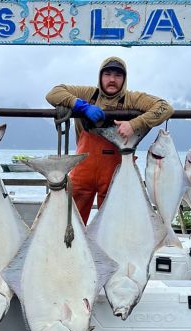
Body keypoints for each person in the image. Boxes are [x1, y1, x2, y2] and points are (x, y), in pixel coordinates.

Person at [46, 56, 174, 223]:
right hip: (83, 170)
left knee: (114, 224)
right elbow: (53, 93)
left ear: (124, 79)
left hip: (116, 173)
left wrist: (134, 124)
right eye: (107, 74)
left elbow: (165, 108)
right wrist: (81, 106)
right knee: (69, 223)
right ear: (100, 77)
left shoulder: (132, 98)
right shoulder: (87, 94)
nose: (112, 79)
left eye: (118, 75)